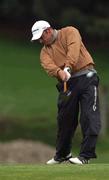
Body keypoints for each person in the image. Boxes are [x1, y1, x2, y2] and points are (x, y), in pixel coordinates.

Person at [31, 20, 101, 165]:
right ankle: (62, 154)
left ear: (48, 31)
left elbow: (73, 49)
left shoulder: (70, 31)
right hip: (68, 83)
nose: (40, 41)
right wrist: (59, 72)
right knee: (64, 119)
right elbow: (49, 66)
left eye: (41, 37)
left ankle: (85, 155)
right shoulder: (44, 51)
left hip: (87, 76)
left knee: (89, 116)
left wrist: (68, 67)